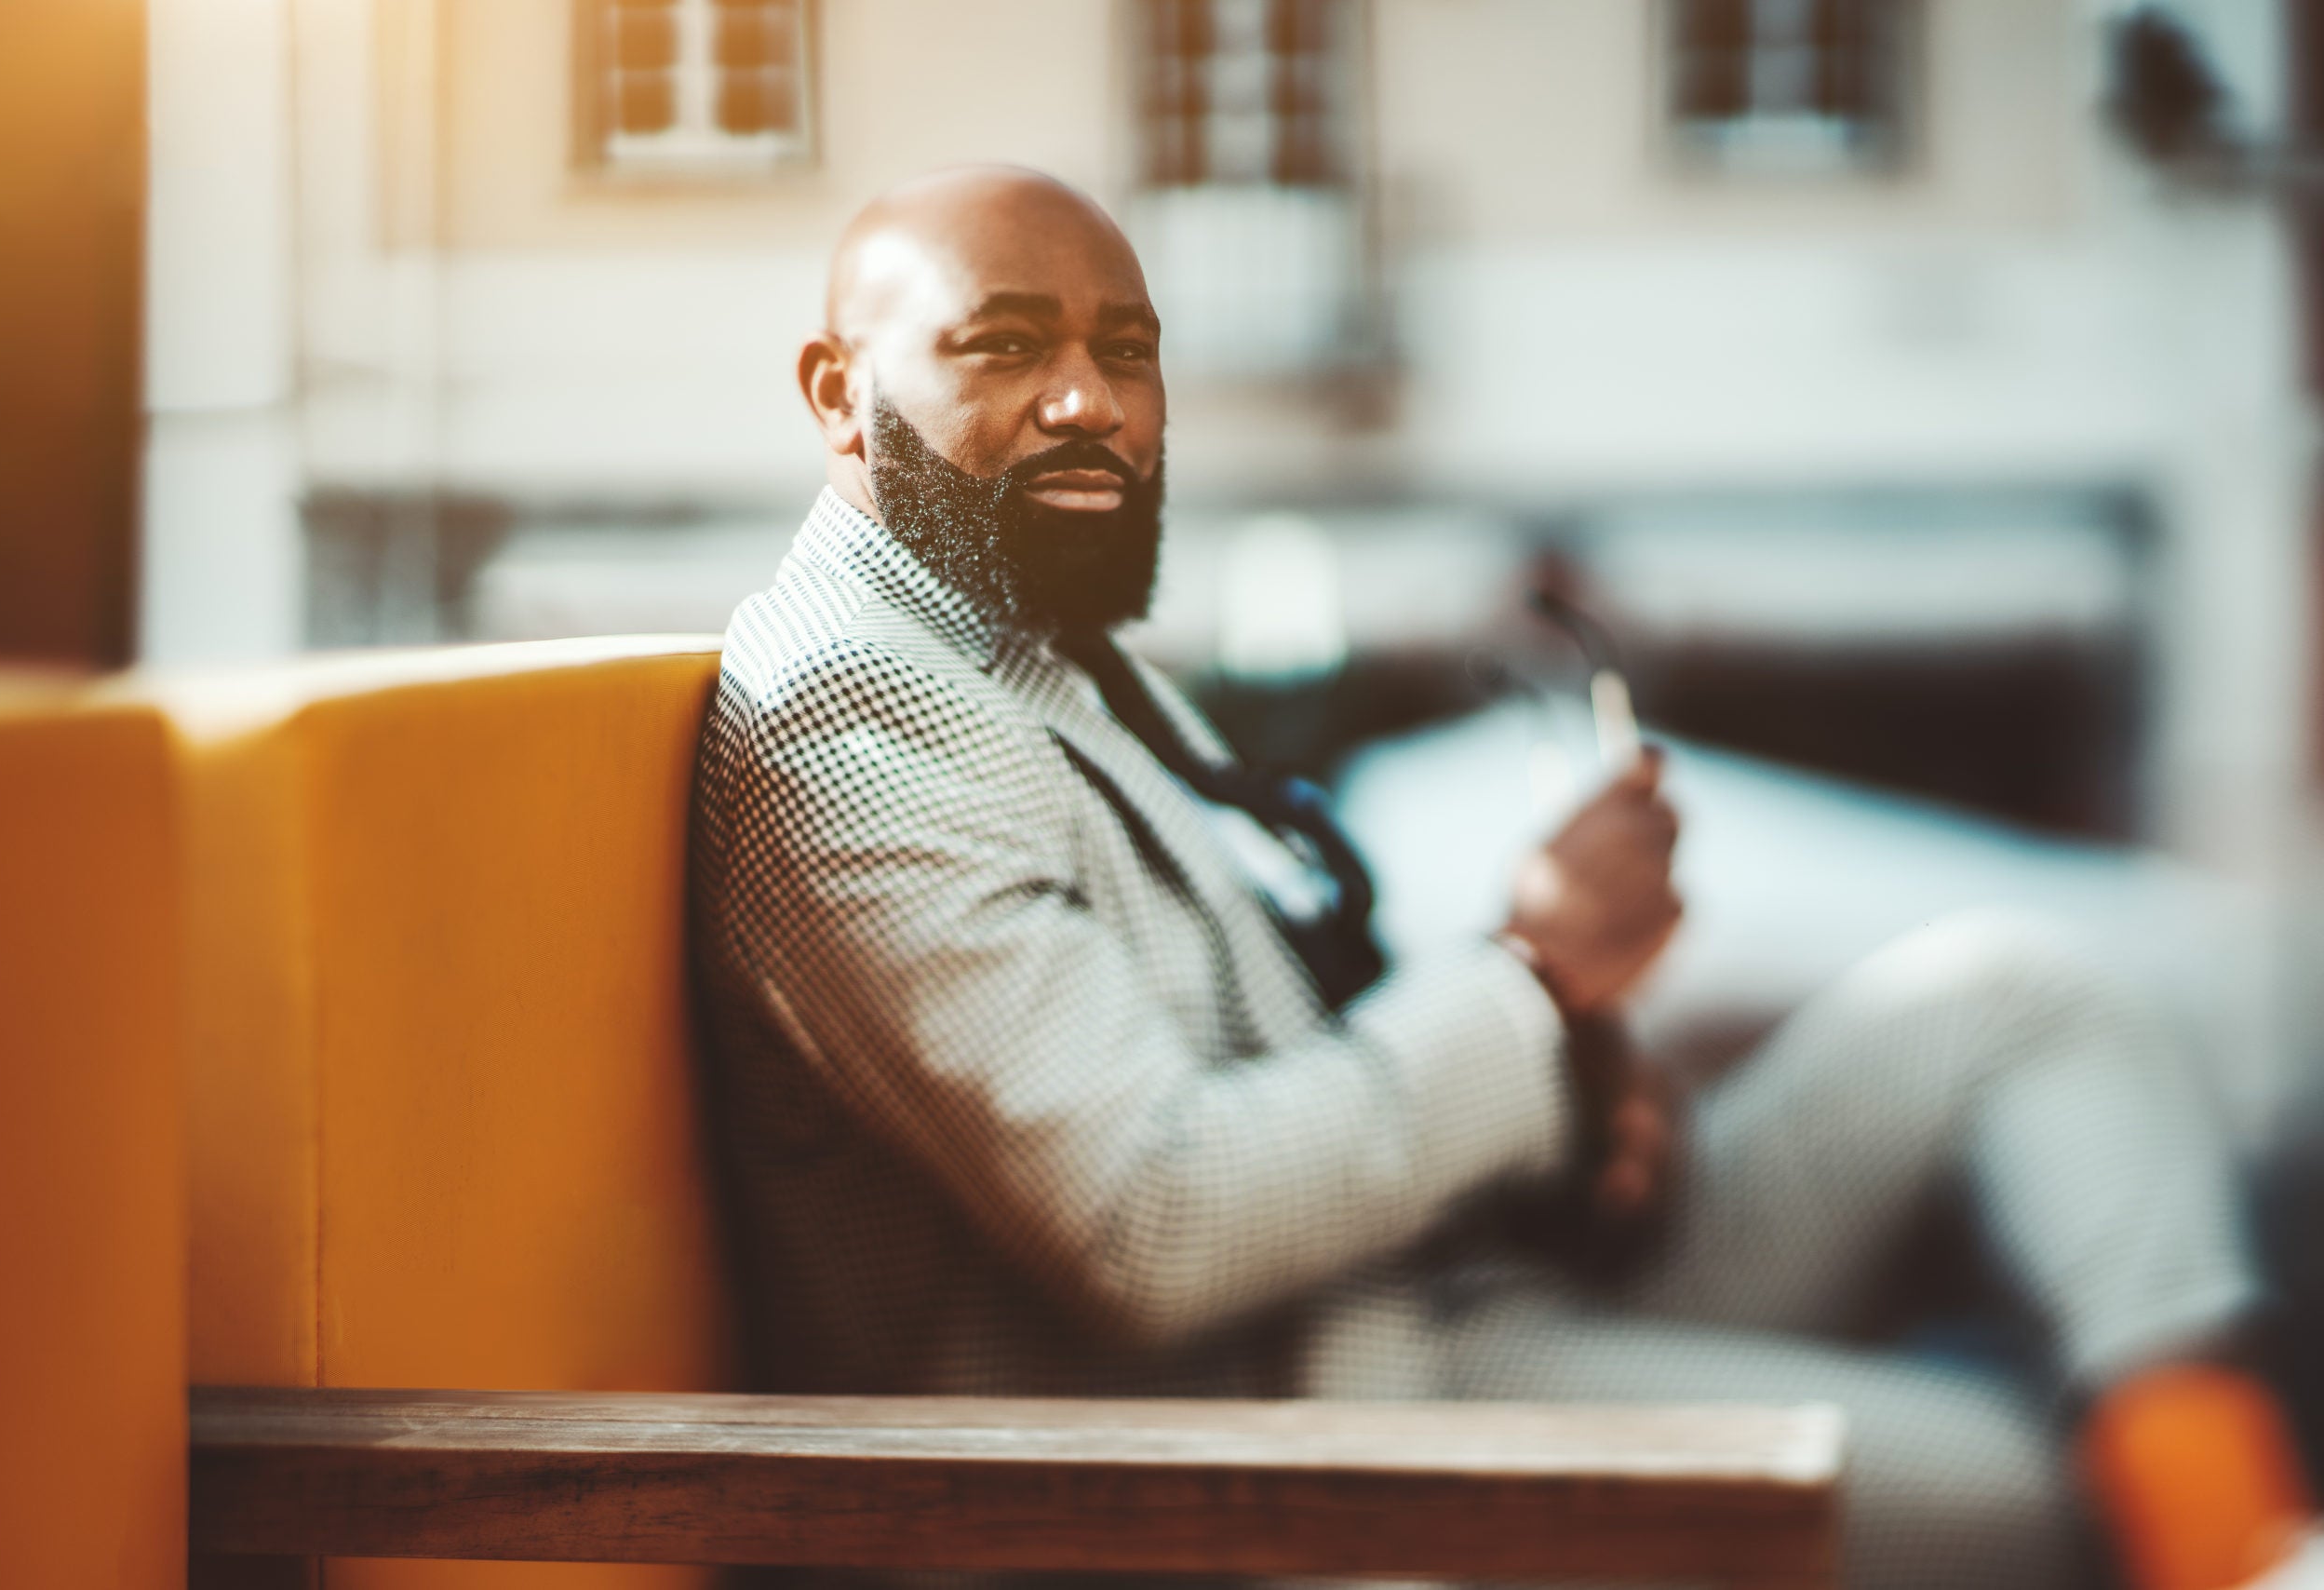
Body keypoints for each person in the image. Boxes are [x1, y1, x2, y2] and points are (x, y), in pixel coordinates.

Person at [686, 165, 2317, 1590]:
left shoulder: (1032, 650)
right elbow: (1150, 1228)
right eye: (1003, 343)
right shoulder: (860, 700)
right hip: (1297, 1436)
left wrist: (1582, 1083)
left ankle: (2242, 1543)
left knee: (2022, 1000)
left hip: (1422, 1281)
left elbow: (1263, 1040)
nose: (1088, 401)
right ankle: (2222, 1546)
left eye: (1127, 351)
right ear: (838, 393)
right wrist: (1531, 985)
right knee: (2021, 1498)